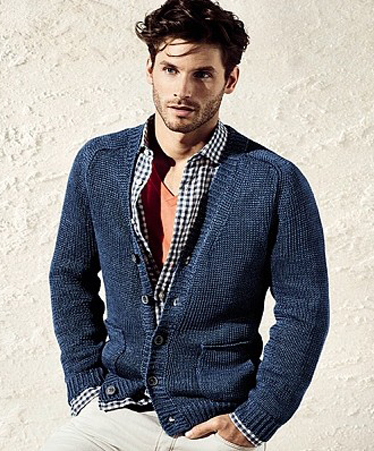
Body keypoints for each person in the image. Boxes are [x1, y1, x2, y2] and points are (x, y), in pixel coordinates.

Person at [42, 0, 330, 449]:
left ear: (230, 79)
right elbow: (69, 276)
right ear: (150, 70)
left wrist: (254, 421)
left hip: (218, 420)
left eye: (203, 74)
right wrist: (85, 387)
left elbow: (305, 309)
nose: (183, 89)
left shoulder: (274, 181)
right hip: (115, 409)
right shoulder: (100, 163)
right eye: (171, 70)